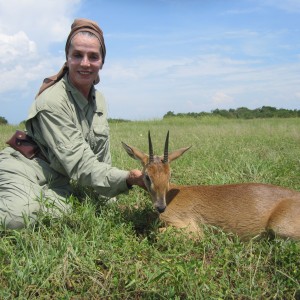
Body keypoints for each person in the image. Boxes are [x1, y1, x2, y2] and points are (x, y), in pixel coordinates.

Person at [0, 18, 145, 229]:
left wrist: (108, 201)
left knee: (70, 209)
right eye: (78, 55)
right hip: (25, 168)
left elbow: (101, 157)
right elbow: (80, 163)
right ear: (67, 59)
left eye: (93, 56)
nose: (85, 63)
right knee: (16, 219)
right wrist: (128, 179)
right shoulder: (52, 102)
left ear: (102, 62)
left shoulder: (99, 100)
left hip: (58, 178)